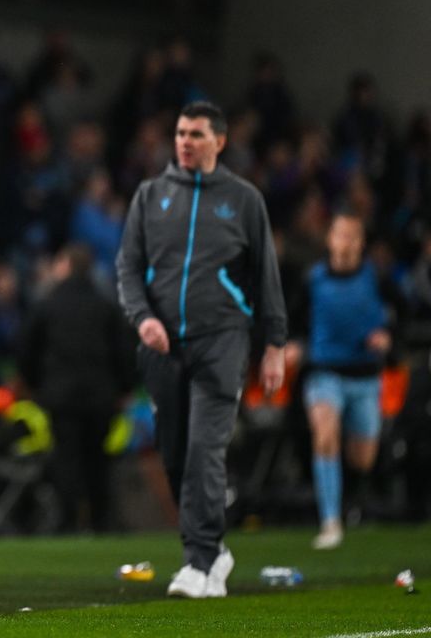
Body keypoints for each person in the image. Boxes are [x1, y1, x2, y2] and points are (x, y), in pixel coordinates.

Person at [116, 101, 287, 598]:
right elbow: (128, 268)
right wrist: (143, 318)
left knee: (204, 450)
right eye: (179, 133)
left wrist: (274, 343)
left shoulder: (244, 199)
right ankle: (211, 551)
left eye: (195, 133)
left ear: (220, 141)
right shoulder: (151, 196)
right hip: (163, 345)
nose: (185, 141)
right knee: (173, 452)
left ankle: (201, 558)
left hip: (223, 340)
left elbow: (266, 277)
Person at [290, 212, 396, 549]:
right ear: (330, 239)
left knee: (362, 457)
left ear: (362, 242)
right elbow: (295, 320)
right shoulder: (313, 279)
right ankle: (330, 521)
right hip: (325, 373)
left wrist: (388, 338)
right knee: (324, 436)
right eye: (341, 235)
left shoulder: (376, 278)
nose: (347, 242)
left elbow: (402, 315)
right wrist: (292, 345)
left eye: (354, 236)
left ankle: (353, 500)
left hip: (365, 376)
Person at [19, 244, 135, 532]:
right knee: (98, 458)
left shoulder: (47, 305)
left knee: (66, 458)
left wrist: (35, 383)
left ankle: (68, 520)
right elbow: (125, 351)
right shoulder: (105, 305)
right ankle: (101, 519)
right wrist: (124, 387)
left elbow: (26, 349)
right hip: (101, 395)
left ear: (66, 266)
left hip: (61, 395)